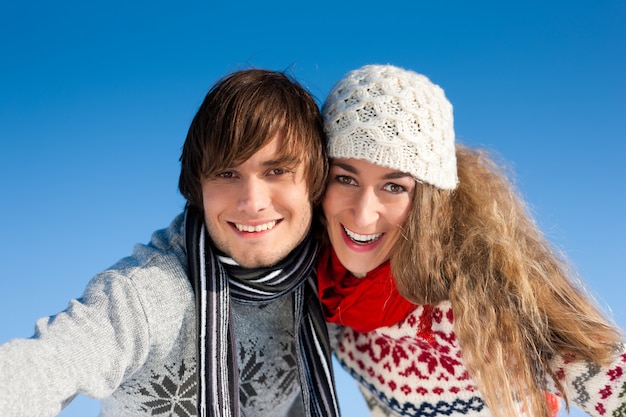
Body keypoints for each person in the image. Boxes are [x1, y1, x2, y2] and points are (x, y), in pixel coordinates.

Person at [0, 69, 340, 417]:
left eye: (276, 171)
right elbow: (46, 364)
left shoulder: (328, 284)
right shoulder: (148, 294)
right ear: (199, 188)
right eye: (227, 174)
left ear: (314, 181)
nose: (252, 202)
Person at [316, 64, 626, 417]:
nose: (363, 213)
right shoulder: (327, 290)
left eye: (394, 187)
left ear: (427, 202)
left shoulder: (481, 309)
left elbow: (611, 378)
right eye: (345, 178)